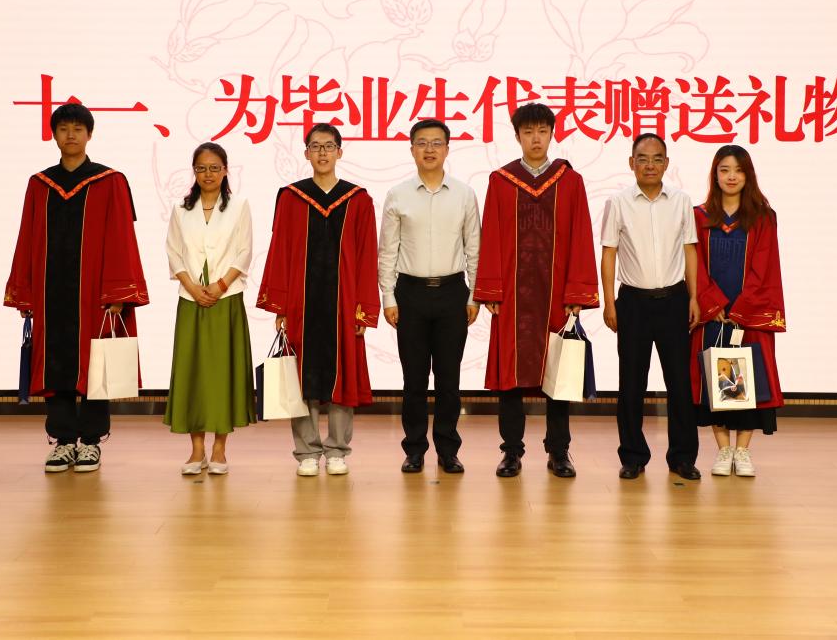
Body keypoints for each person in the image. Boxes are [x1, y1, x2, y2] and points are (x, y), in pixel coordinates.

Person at [4, 103, 149, 474]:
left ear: (89, 135)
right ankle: (63, 440)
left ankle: (92, 441)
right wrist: (25, 291)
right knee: (56, 368)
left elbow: (121, 238)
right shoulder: (40, 184)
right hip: (52, 294)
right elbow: (27, 238)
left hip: (95, 296)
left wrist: (118, 293)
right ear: (54, 135)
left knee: (97, 366)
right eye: (64, 129)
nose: (70, 135)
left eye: (78, 129)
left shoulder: (109, 181)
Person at [474, 103, 599, 479]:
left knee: (558, 373)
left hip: (556, 294)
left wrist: (576, 295)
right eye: (528, 132)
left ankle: (559, 451)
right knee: (510, 376)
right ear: (517, 136)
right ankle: (511, 452)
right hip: (513, 296)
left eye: (542, 131)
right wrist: (491, 290)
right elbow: (491, 235)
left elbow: (581, 237)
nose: (536, 139)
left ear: (552, 134)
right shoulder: (501, 181)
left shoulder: (570, 181)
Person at [257, 124, 380, 477]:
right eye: (315, 146)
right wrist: (280, 306)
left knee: (343, 375)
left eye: (329, 146)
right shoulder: (291, 197)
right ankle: (307, 451)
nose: (322, 152)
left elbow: (367, 256)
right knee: (302, 376)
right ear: (306, 153)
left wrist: (363, 310)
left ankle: (338, 449)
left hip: (345, 303)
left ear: (340, 152)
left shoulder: (358, 199)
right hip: (302, 303)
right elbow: (280, 251)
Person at [378, 119, 480, 475]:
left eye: (437, 143)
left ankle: (448, 450)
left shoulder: (464, 194)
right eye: (422, 143)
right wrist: (388, 298)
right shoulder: (398, 195)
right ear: (412, 150)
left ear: (448, 149)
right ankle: (414, 449)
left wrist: (474, 296)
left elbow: (474, 248)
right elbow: (387, 251)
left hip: (453, 293)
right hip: (410, 294)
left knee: (449, 380)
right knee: (414, 380)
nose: (430, 149)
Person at [600, 132, 701, 481]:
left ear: (666, 163)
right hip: (633, 303)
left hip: (674, 301)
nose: (650, 165)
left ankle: (682, 457)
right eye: (642, 159)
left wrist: (694, 297)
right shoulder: (618, 202)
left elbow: (690, 250)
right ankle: (633, 456)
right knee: (631, 384)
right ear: (632, 163)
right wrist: (609, 302)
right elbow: (609, 253)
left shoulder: (681, 201)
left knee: (680, 384)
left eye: (657, 159)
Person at [690, 144, 786, 478]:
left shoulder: (763, 217)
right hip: (713, 314)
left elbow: (764, 267)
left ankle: (742, 450)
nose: (731, 176)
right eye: (725, 170)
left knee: (749, 378)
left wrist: (741, 309)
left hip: (749, 314)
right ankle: (723, 449)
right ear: (715, 175)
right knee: (714, 380)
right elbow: (694, 263)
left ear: (748, 175)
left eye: (739, 170)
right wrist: (713, 303)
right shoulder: (699, 216)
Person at [163, 142, 256, 476]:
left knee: (221, 373)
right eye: (201, 168)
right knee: (193, 372)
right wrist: (192, 287)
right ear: (194, 171)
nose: (208, 174)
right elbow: (173, 252)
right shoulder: (180, 209)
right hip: (191, 299)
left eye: (214, 168)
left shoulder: (239, 206)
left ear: (225, 170)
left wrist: (220, 285)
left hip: (225, 298)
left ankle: (219, 448)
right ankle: (196, 449)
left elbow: (244, 251)